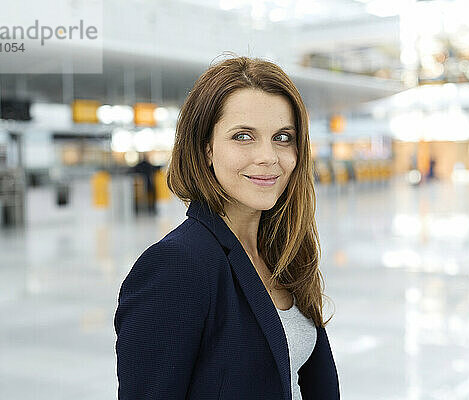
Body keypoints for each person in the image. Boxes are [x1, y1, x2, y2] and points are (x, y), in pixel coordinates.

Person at [114, 55, 340, 400]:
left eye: (282, 137)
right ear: (206, 148)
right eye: (244, 136)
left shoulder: (283, 250)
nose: (268, 156)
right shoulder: (177, 266)